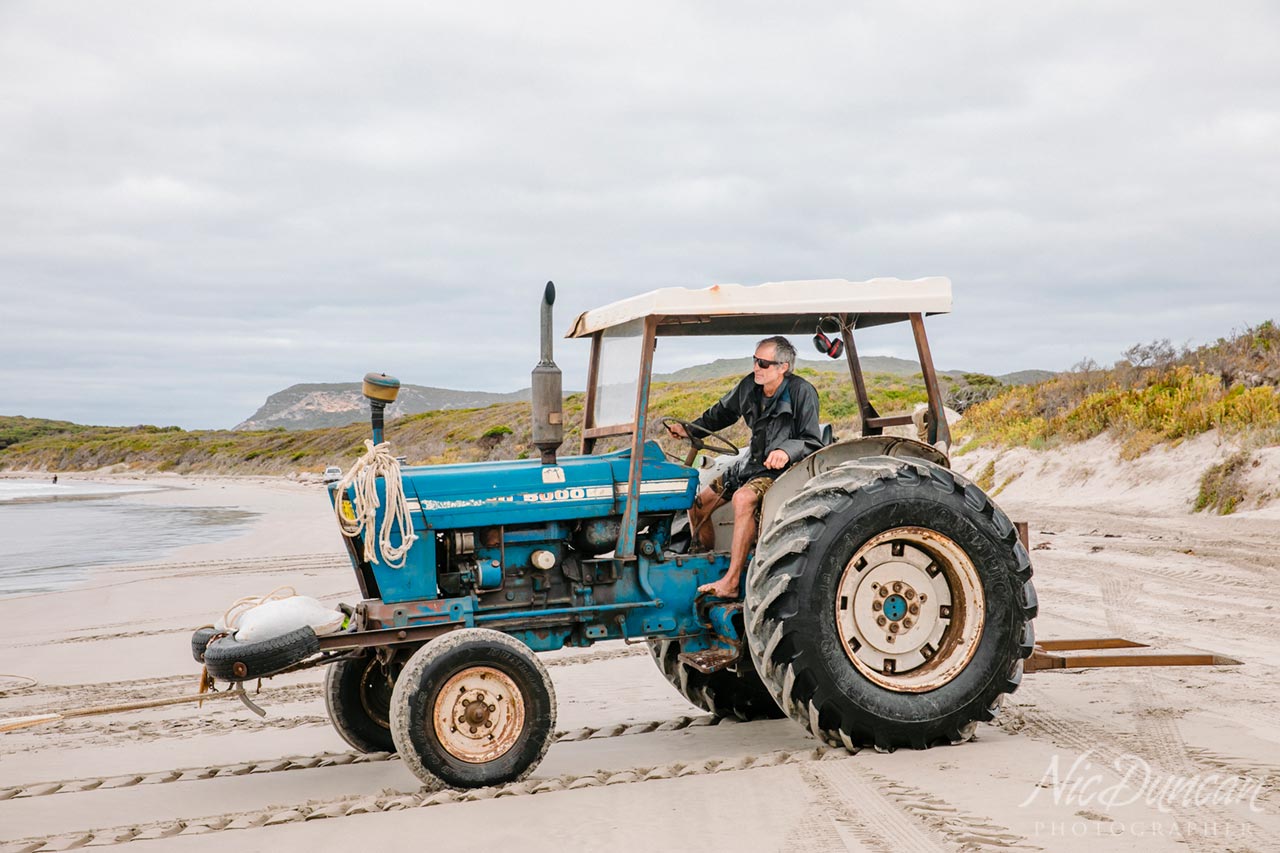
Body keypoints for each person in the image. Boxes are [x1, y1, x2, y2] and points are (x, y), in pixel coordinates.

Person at [667, 336, 823, 598]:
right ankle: (708, 563)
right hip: (750, 465)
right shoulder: (749, 387)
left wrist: (786, 451)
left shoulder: (801, 392)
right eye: (754, 360)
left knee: (743, 498)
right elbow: (721, 413)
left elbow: (811, 441)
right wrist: (689, 429)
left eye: (763, 363)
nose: (756, 367)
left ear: (783, 367)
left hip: (783, 471)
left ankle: (732, 581)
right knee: (697, 503)